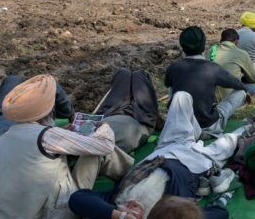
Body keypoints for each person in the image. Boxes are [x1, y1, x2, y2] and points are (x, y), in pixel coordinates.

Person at [68, 92, 237, 219]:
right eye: (135, 214)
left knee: (181, 96)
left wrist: (120, 215)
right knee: (233, 140)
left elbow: (78, 199)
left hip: (165, 149)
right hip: (199, 160)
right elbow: (220, 213)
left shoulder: (115, 199)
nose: (131, 209)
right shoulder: (169, 211)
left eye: (127, 210)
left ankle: (195, 132)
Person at [0, 75, 133, 219]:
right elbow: (105, 145)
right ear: (49, 110)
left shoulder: (4, 138)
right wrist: (103, 127)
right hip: (52, 213)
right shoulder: (47, 135)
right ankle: (132, 181)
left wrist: (63, 132)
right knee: (96, 152)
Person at [164, 26, 250, 138]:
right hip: (209, 125)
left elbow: (169, 89)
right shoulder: (212, 68)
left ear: (183, 47)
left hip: (180, 124)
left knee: (172, 90)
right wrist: (246, 90)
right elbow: (237, 84)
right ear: (204, 46)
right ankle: (203, 131)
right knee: (241, 92)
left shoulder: (173, 67)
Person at [95, 68, 161, 153]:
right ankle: (132, 94)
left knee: (124, 73)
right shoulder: (111, 147)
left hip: (112, 112)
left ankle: (129, 96)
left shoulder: (93, 140)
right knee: (139, 75)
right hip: (140, 118)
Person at [208, 28, 255, 100]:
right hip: (231, 97)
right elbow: (253, 78)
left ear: (221, 40)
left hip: (210, 95)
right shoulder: (242, 53)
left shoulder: (210, 51)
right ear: (236, 42)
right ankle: (247, 97)